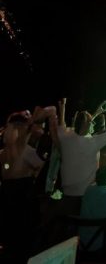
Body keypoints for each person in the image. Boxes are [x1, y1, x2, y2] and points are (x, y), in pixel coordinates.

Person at [0, 107, 54, 259]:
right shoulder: (26, 151)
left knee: (10, 243)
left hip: (7, 202)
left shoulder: (3, 152)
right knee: (23, 244)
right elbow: (42, 170)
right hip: (23, 202)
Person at [58, 101, 106, 214]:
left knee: (68, 223)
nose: (93, 124)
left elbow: (65, 127)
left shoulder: (66, 137)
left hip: (66, 195)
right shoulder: (92, 142)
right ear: (87, 124)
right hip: (86, 195)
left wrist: (97, 112)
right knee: (83, 224)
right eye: (91, 122)